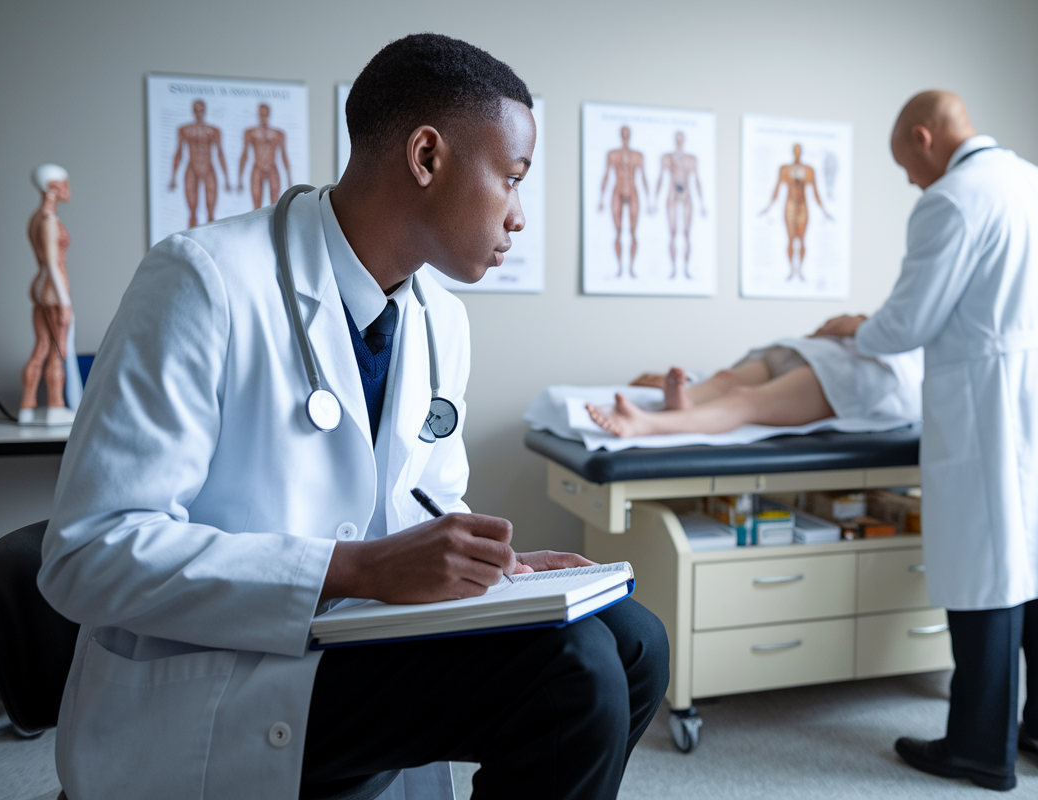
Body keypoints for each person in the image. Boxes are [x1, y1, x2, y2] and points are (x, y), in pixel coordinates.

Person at [39, 34, 668, 800]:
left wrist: (499, 574)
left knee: (634, 642)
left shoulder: (441, 318)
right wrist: (355, 569)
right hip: (223, 675)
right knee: (572, 674)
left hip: (357, 641)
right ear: (427, 158)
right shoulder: (203, 280)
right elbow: (88, 554)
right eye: (511, 178)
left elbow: (421, 505)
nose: (518, 217)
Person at [817, 90, 1038, 791]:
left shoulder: (952, 199)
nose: (910, 181)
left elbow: (907, 324)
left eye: (906, 165)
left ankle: (979, 748)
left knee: (990, 573)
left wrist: (855, 328)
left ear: (924, 137)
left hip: (995, 406)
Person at [587, 335, 921, 438]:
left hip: (863, 368)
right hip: (822, 347)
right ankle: (686, 401)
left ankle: (647, 423)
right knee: (726, 380)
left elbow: (902, 328)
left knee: (746, 400)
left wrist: (863, 327)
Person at [21, 164, 78, 425]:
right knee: (57, 349)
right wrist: (65, 303)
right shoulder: (48, 220)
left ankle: (27, 406)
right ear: (53, 187)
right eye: (64, 183)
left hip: (41, 286)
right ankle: (55, 405)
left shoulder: (36, 217)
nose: (68, 189)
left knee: (43, 346)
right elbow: (54, 264)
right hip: (53, 289)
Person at [760, 143, 831, 281]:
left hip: (803, 206)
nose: (797, 153)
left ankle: (800, 270)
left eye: (799, 150)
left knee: (802, 239)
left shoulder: (809, 170)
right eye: (795, 150)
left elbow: (816, 191)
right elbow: (777, 189)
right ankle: (792, 269)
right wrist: (768, 207)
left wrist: (824, 211)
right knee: (791, 239)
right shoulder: (785, 169)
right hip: (790, 206)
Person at [169, 98, 231, 227]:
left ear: (205, 111)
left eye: (201, 109)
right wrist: (173, 177)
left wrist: (226, 179)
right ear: (193, 111)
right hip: (192, 168)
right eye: (196, 109)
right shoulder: (184, 130)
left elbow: (220, 154)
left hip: (209, 169)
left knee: (211, 214)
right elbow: (179, 153)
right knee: (192, 213)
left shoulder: (214, 131)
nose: (199, 112)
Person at [651, 131, 705, 278]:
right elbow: (660, 178)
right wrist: (654, 201)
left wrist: (702, 203)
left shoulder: (691, 159)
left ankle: (686, 269)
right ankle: (674, 269)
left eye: (681, 138)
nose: (679, 140)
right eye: (677, 138)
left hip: (687, 195)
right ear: (675, 140)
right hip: (672, 195)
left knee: (687, 234)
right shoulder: (667, 158)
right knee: (673, 233)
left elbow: (697, 180)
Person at [598, 125, 648, 277]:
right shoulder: (613, 154)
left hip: (632, 191)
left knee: (633, 231)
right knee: (618, 231)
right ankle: (620, 268)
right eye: (623, 133)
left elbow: (644, 177)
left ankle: (631, 268)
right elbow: (606, 175)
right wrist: (601, 198)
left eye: (627, 133)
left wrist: (650, 199)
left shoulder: (637, 156)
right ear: (620, 134)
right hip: (617, 191)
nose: (625, 135)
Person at [238, 102, 292, 210]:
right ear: (258, 114)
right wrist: (240, 178)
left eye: (265, 114)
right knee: (256, 205)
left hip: (272, 168)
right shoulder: (250, 133)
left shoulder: (278, 134)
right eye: (261, 114)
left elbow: (284, 155)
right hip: (257, 168)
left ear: (268, 114)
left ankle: (274, 226)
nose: (263, 117)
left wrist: (289, 177)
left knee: (275, 205)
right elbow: (245, 154)